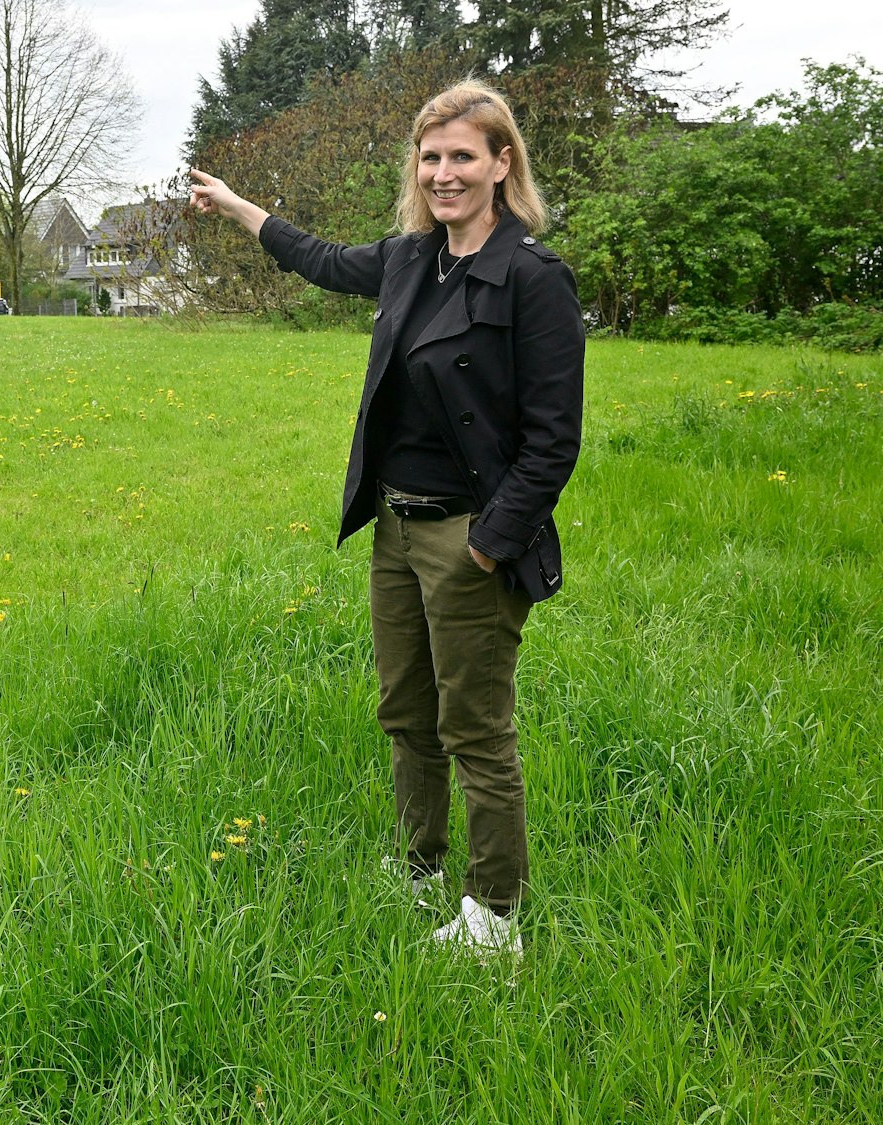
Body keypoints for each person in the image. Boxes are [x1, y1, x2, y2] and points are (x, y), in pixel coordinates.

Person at [189, 80, 584, 957]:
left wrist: (487, 546)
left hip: (468, 535)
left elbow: (555, 442)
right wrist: (235, 206)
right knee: (405, 713)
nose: (444, 173)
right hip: (397, 530)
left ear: (501, 163)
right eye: (431, 156)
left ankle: (494, 917)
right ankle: (418, 867)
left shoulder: (532, 278)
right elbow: (320, 259)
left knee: (473, 726)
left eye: (463, 157)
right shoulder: (413, 258)